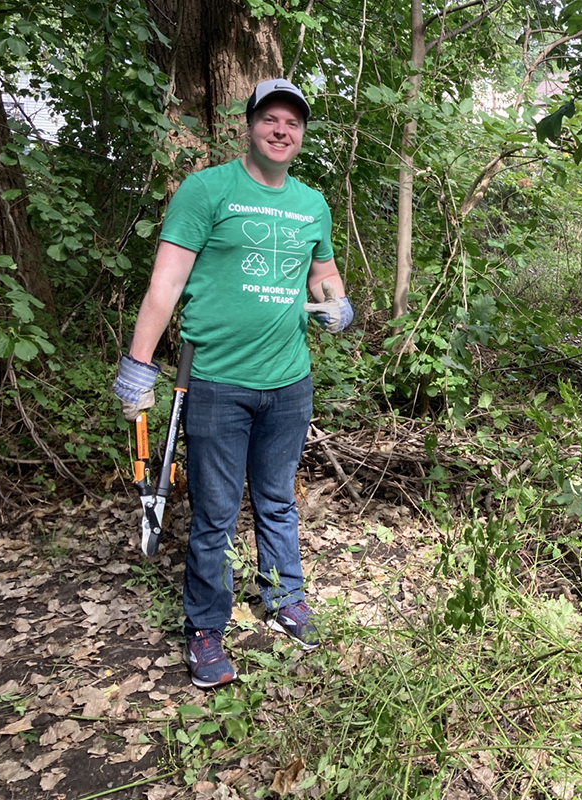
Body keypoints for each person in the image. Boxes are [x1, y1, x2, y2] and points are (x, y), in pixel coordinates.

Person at [111, 79, 354, 688]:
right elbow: (164, 285)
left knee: (276, 500)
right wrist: (140, 364)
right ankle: (206, 628)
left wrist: (337, 305)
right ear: (248, 126)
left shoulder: (311, 204)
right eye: (270, 119)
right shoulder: (207, 189)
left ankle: (282, 597)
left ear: (301, 134)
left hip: (289, 382)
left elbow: (324, 276)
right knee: (216, 514)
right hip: (216, 381)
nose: (281, 130)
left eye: (292, 123)